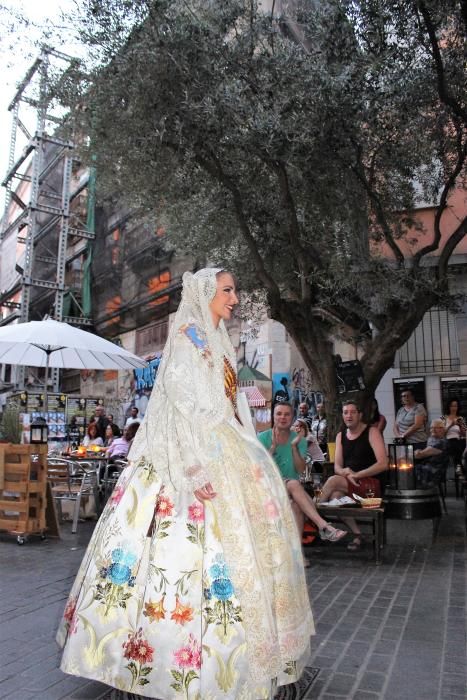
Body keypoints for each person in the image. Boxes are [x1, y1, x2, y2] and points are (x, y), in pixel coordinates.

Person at [57, 268, 314, 699]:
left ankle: (246, 656)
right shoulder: (189, 336)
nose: (234, 298)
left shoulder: (219, 340)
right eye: (227, 290)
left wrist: (250, 453)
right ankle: (159, 658)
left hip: (226, 450)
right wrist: (194, 467)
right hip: (188, 456)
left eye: (235, 290)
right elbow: (182, 403)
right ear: (205, 293)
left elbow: (233, 408)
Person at [258, 403, 346, 545]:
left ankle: (299, 554)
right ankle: (323, 526)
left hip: (292, 489)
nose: (283, 417)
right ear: (273, 416)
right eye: (279, 414)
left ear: (293, 417)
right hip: (269, 486)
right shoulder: (262, 438)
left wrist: (294, 447)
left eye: (287, 414)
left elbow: (299, 470)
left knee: (297, 505)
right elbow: (259, 468)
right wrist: (273, 448)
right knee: (293, 483)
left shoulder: (300, 440)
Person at [319, 400, 388, 552]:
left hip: (371, 488)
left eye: (352, 412)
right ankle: (358, 535)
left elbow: (383, 463)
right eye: (345, 412)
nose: (349, 415)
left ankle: (312, 517)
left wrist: (357, 475)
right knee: (335, 496)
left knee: (332, 481)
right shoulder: (340, 436)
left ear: (360, 415)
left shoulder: (372, 432)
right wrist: (346, 473)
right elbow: (337, 467)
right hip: (349, 484)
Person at [414, 419, 449, 488]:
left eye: (435, 427)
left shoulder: (441, 442)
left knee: (407, 470)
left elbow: (418, 455)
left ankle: (410, 492)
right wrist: (420, 452)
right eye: (431, 428)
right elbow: (423, 452)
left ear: (442, 429)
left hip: (433, 472)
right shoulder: (432, 439)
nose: (432, 430)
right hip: (427, 467)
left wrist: (419, 452)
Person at [441, 398, 466, 474]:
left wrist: (460, 426)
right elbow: (441, 433)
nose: (454, 408)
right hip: (448, 442)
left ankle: (459, 467)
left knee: (460, 444)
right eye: (452, 406)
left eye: (455, 406)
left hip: (460, 441)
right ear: (448, 407)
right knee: (456, 445)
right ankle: (460, 468)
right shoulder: (443, 418)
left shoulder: (460, 418)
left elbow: (464, 434)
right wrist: (451, 425)